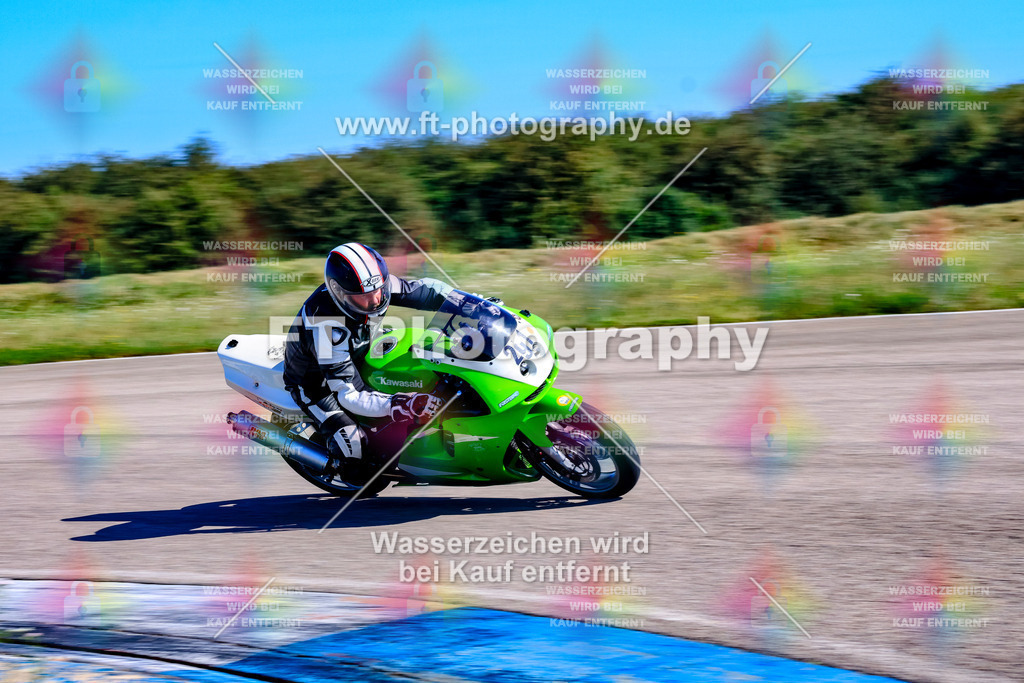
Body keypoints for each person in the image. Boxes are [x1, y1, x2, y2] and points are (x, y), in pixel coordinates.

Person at [283, 242, 452, 483]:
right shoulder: (326, 325)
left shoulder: (375, 286)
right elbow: (348, 394)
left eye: (378, 291)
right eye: (363, 297)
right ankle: (338, 463)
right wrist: (400, 403)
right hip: (316, 383)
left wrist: (472, 303)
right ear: (339, 293)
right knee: (356, 456)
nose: (374, 300)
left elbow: (428, 291)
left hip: (357, 352)